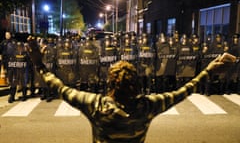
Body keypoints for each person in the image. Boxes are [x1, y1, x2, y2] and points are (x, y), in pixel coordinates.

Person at [26, 36, 236, 143]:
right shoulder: (147, 106)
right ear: (136, 85)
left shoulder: (96, 106)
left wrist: (39, 65)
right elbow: (186, 90)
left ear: (109, 84)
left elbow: (59, 87)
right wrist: (209, 70)